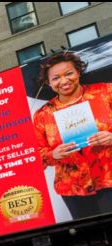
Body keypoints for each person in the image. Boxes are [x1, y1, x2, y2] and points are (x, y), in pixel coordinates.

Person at [33, 51, 112, 219]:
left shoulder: (106, 92)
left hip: (109, 178)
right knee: (90, 241)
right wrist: (53, 154)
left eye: (69, 73)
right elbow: (35, 156)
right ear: (48, 83)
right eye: (56, 78)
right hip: (72, 189)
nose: (64, 81)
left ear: (78, 72)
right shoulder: (43, 115)